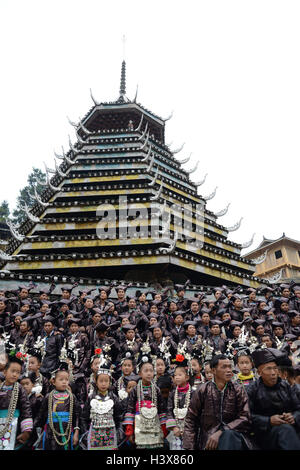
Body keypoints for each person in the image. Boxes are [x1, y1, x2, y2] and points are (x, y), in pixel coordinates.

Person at [182, 354, 252, 450]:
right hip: (208, 442)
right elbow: (191, 420)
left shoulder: (238, 390)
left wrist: (222, 431)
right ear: (214, 370)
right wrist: (189, 448)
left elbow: (245, 418)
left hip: (233, 439)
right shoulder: (202, 390)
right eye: (224, 367)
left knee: (228, 435)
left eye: (229, 367)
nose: (228, 370)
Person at [247, 348, 300, 450]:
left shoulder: (285, 386)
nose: (273, 372)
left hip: (290, 429)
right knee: (285, 430)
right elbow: (247, 416)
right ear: (259, 372)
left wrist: (293, 417)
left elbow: (298, 408)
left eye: (275, 368)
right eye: (268, 369)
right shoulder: (252, 390)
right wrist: (268, 421)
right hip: (266, 435)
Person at [80, 352, 123, 450]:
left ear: (110, 382)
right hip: (94, 435)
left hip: (111, 435)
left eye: (106, 381)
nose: (103, 384)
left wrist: (119, 431)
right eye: (101, 381)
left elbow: (119, 416)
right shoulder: (91, 397)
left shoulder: (114, 397)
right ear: (96, 381)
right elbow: (84, 417)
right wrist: (86, 432)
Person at [123, 354, 167, 449]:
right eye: (146, 371)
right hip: (139, 426)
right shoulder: (135, 390)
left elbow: (162, 410)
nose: (149, 373)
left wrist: (163, 428)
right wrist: (129, 430)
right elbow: (130, 410)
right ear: (140, 373)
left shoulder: (156, 389)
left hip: (154, 425)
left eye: (151, 371)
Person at [34, 362, 80, 450]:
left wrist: (77, 432)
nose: (64, 382)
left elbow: (77, 415)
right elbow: (40, 414)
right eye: (61, 379)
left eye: (66, 380)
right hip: (50, 432)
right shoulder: (49, 396)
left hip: (67, 431)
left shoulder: (71, 396)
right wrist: (31, 428)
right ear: (54, 381)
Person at [0, 352, 33, 450]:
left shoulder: (19, 389)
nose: (15, 375)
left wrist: (26, 431)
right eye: (12, 371)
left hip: (14, 424)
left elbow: (26, 408)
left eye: (18, 372)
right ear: (5, 372)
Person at [166, 362, 193, 450]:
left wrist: (189, 427)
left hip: (189, 429)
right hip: (176, 428)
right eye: (175, 375)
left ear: (187, 377)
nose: (177, 377)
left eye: (180, 375)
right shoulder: (172, 393)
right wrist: (174, 427)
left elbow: (196, 412)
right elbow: (169, 410)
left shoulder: (193, 393)